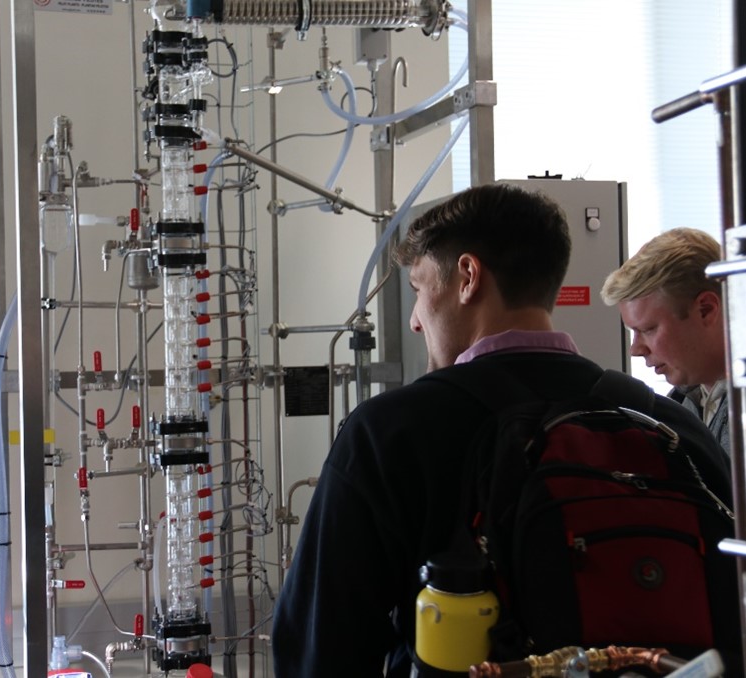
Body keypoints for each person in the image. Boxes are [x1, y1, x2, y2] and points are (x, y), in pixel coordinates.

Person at [270, 184, 737, 678]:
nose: (414, 321)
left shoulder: (391, 433)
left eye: (419, 289)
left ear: (468, 277)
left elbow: (319, 649)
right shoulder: (670, 426)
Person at [601, 228, 730, 455]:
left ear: (706, 310)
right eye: (634, 332)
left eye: (648, 329)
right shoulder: (680, 405)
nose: (635, 349)